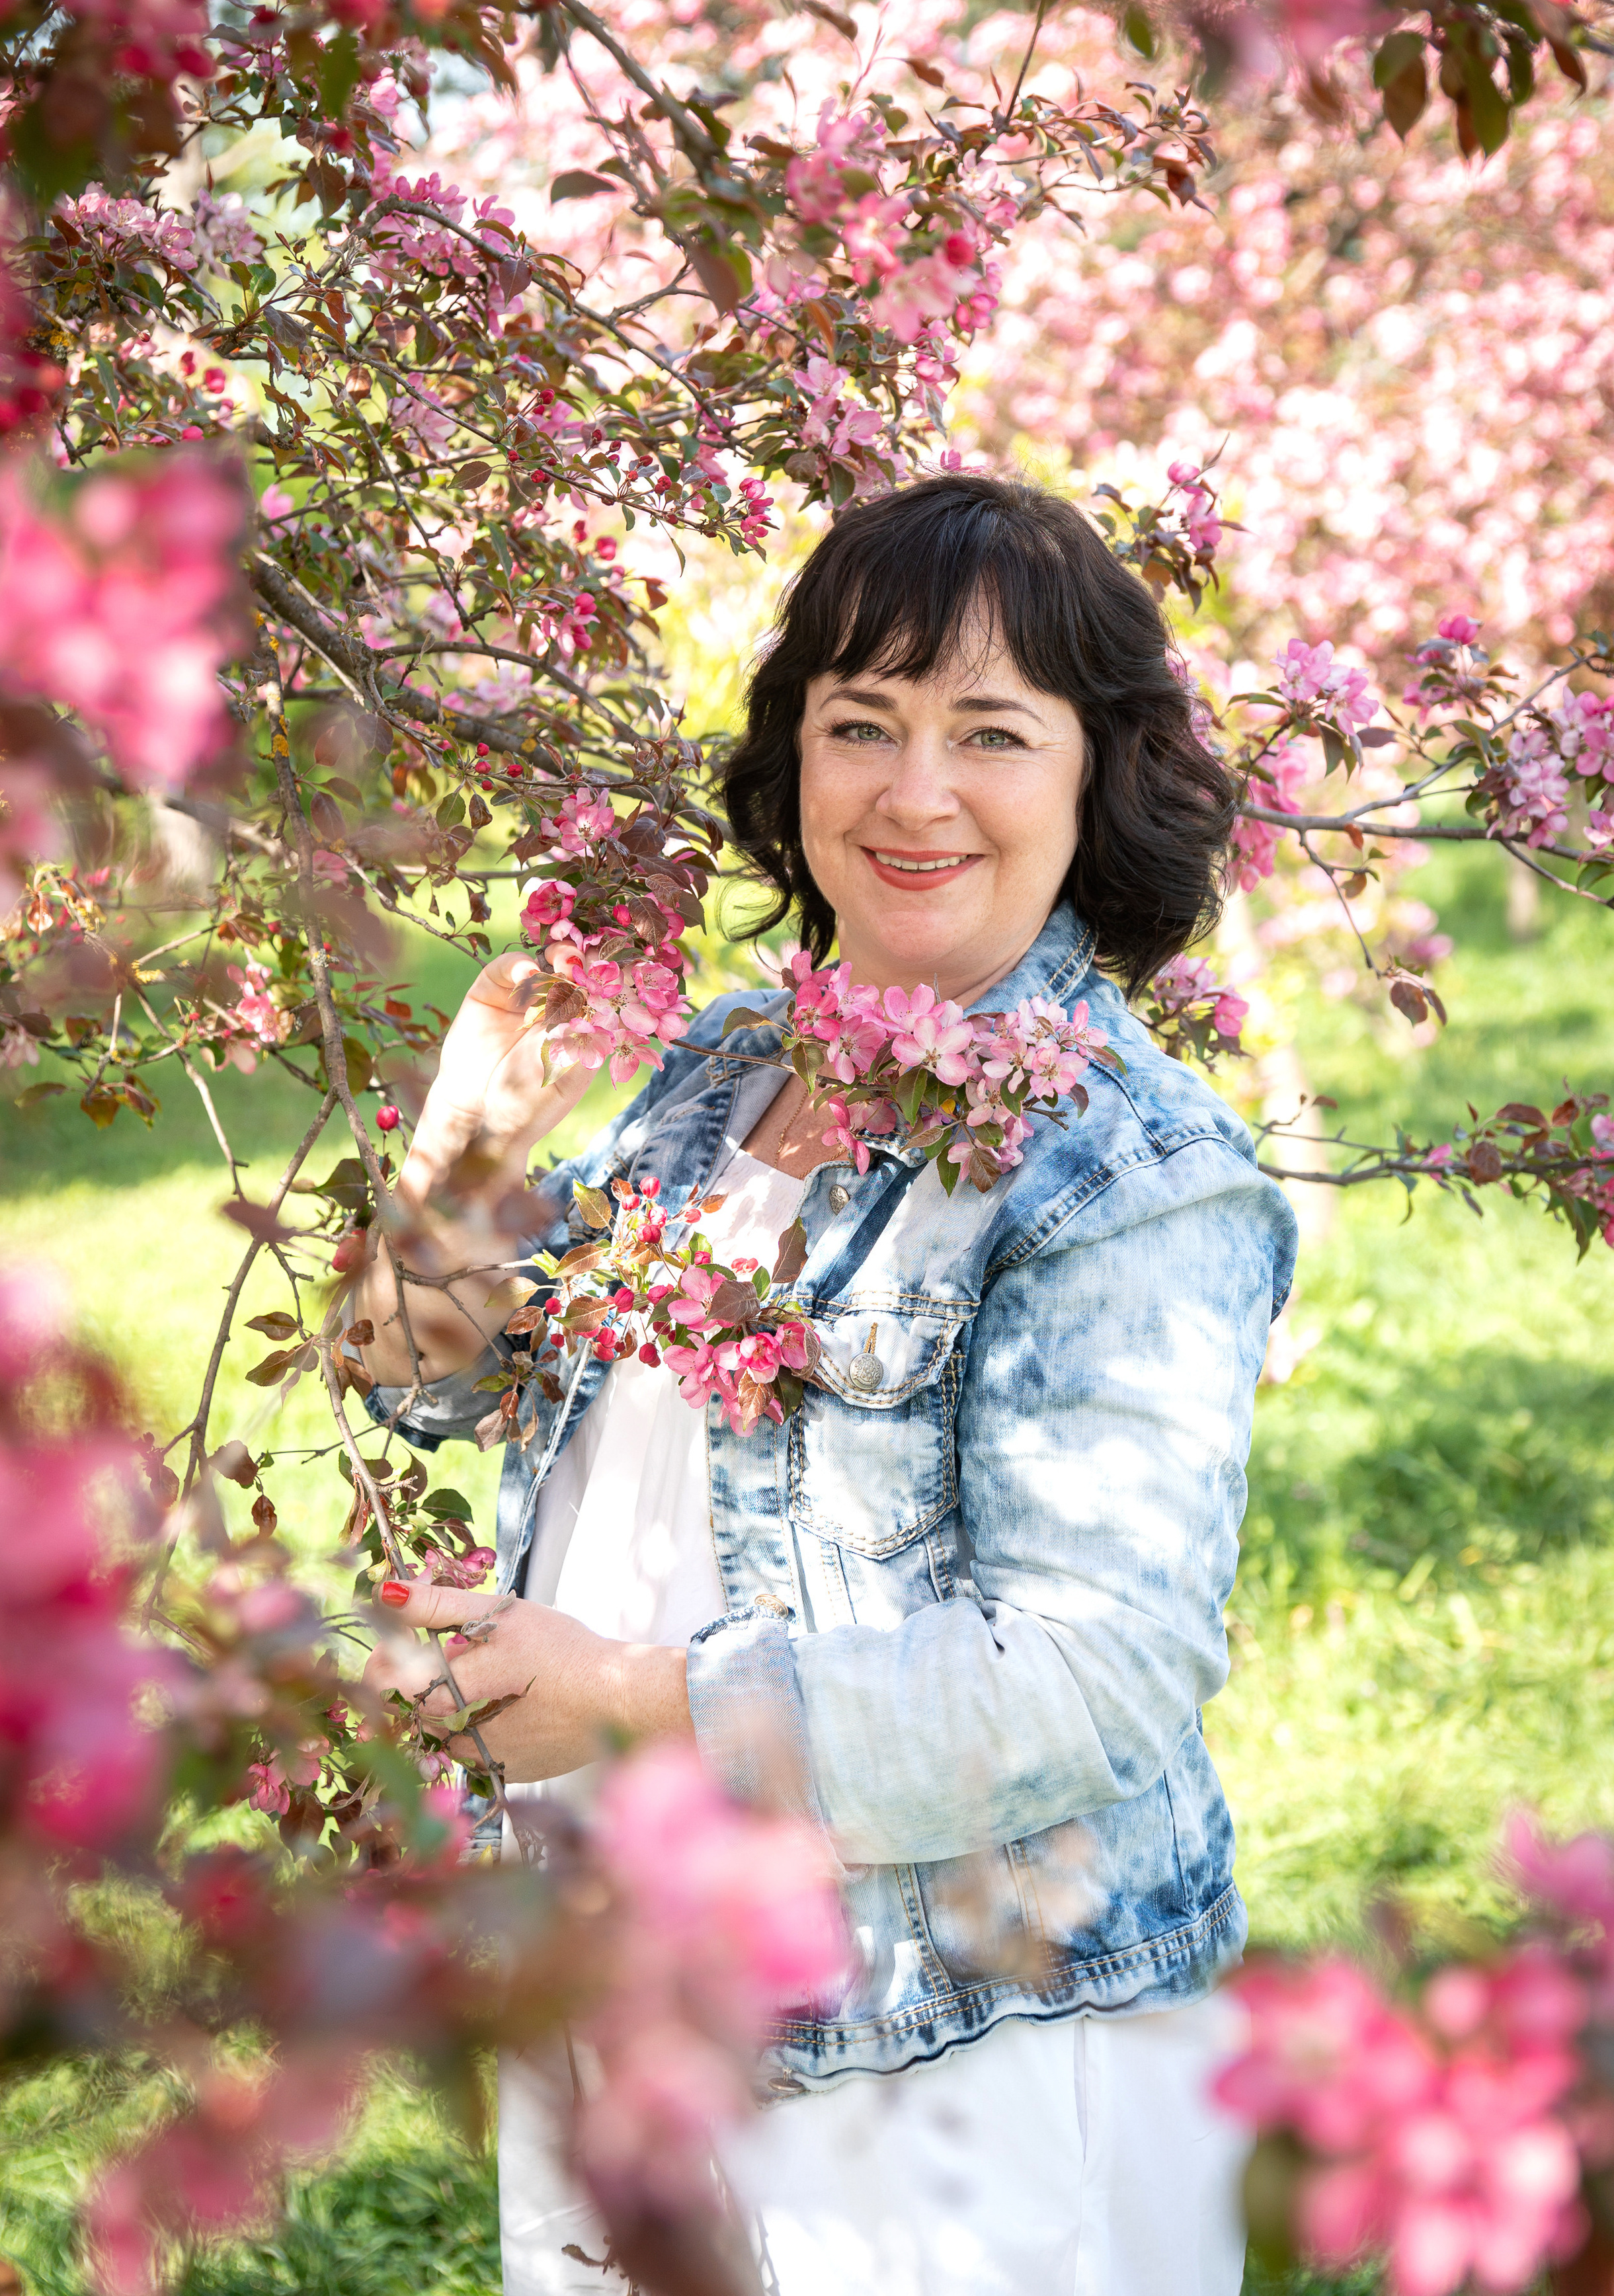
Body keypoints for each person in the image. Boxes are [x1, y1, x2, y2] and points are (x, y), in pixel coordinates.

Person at [356, 472, 1297, 2295]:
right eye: (859, 722)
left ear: (1097, 777)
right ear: (793, 756)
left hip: (951, 2072)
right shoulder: (725, 1067)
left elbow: (1096, 1680)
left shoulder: (1126, 1174)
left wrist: (622, 1703)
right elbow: (436, 1386)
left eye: (990, 733)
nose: (912, 791)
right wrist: (463, 1157)